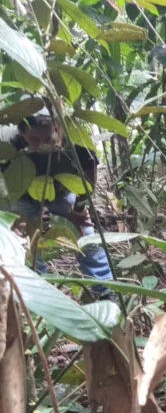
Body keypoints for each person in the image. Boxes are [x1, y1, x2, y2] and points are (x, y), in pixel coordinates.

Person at [3, 106, 114, 300]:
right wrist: (10, 222)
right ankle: (40, 291)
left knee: (85, 234)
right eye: (34, 140)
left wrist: (78, 211)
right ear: (23, 133)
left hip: (61, 190)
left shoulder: (76, 140)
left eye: (48, 139)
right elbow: (5, 185)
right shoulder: (10, 144)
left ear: (59, 128)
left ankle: (104, 288)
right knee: (25, 242)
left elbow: (88, 179)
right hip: (23, 195)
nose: (42, 146)